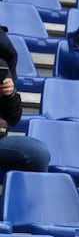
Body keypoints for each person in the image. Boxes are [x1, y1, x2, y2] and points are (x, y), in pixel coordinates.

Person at [0, 29, 49, 174]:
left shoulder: (2, 65)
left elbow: (13, 118)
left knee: (37, 152)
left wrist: (10, 94)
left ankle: (30, 196)